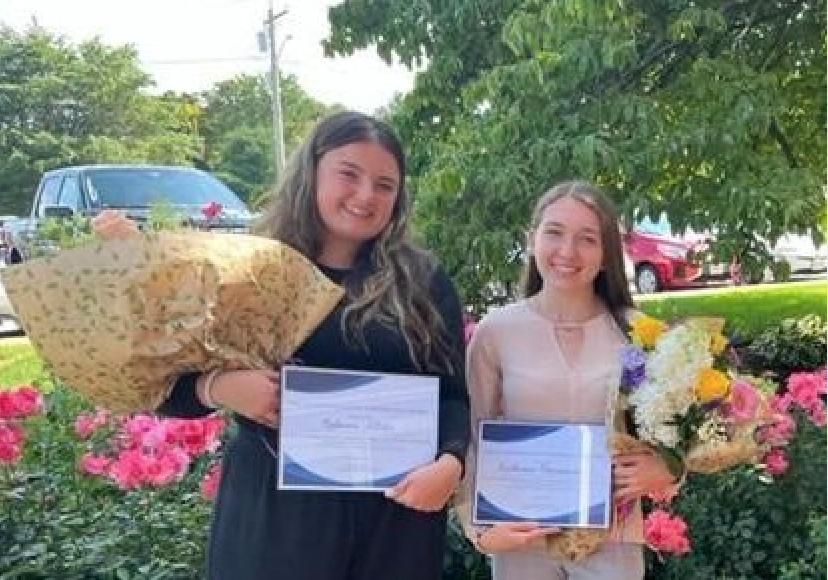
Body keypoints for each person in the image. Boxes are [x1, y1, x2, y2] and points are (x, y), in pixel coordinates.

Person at [93, 111, 470, 580]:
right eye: (348, 175)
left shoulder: (422, 282)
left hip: (395, 520)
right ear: (312, 171)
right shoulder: (245, 270)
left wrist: (451, 463)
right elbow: (162, 387)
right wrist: (221, 387)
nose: (365, 195)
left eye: (384, 184)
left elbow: (453, 394)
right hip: (276, 518)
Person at [456, 181, 679, 580]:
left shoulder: (639, 333)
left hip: (613, 534)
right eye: (554, 232)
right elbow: (470, 437)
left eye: (587, 239)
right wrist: (479, 530)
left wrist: (670, 468)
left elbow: (678, 428)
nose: (567, 251)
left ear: (607, 255)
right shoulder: (497, 331)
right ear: (531, 241)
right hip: (522, 536)